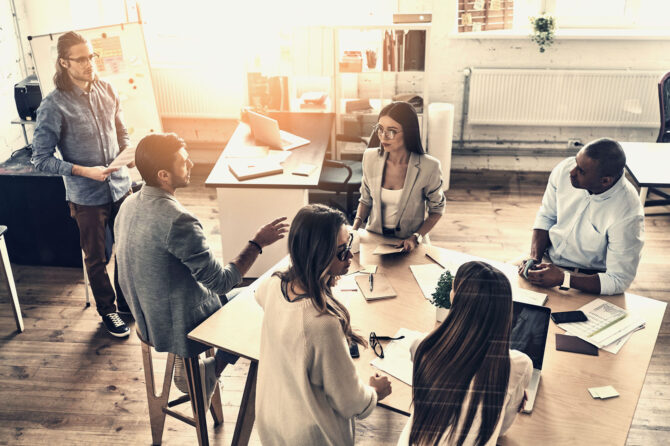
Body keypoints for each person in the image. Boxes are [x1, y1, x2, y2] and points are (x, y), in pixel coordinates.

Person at [114, 132, 288, 404]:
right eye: (184, 161)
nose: (192, 164)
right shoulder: (178, 220)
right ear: (163, 175)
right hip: (175, 324)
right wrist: (257, 243)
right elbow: (222, 283)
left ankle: (196, 367)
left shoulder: (127, 204)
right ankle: (213, 370)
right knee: (264, 296)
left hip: (145, 316)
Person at [254, 204, 392, 445]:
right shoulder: (322, 323)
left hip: (272, 422)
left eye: (348, 246)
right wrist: (375, 392)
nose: (350, 256)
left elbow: (260, 295)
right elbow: (350, 402)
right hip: (311, 436)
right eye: (341, 251)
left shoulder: (273, 283)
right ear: (317, 255)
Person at [31, 31, 134, 337]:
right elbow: (40, 159)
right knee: (97, 256)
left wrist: (127, 153)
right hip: (86, 195)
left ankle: (127, 303)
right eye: (81, 59)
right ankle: (109, 311)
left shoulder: (107, 88)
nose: (90, 63)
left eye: (92, 56)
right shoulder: (53, 106)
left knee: (127, 248)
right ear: (64, 63)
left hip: (120, 185)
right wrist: (84, 171)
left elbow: (121, 129)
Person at [398, 261, 532, 446]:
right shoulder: (518, 365)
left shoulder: (422, 346)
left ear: (457, 299)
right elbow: (500, 431)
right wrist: (511, 402)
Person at [518, 138, 644, 295]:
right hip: (545, 261)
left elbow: (618, 280)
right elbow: (546, 216)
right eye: (576, 163)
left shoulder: (628, 213)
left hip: (586, 279)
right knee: (500, 294)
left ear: (605, 181)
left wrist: (563, 279)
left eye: (581, 171)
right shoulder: (565, 169)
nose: (571, 172)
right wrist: (534, 258)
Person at [352, 101, 445, 252]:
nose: (383, 136)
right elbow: (365, 200)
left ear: (408, 132)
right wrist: (354, 230)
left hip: (409, 242)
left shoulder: (429, 167)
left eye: (392, 131)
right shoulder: (370, 158)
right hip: (374, 238)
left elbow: (437, 210)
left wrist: (416, 237)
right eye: (380, 129)